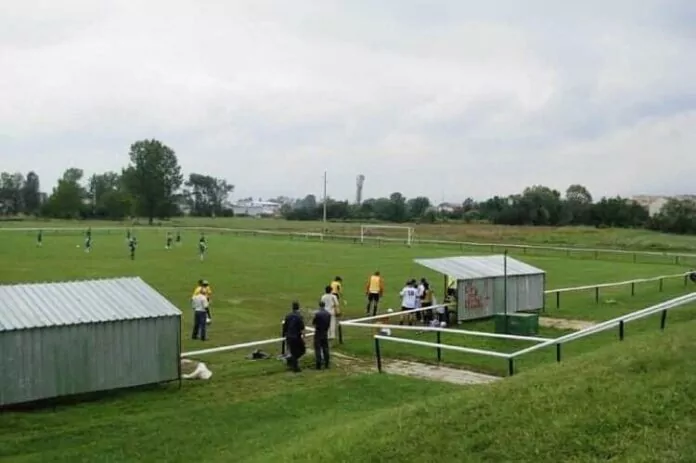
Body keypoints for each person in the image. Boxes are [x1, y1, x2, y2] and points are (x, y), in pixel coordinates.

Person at [282, 301, 306, 372]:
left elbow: (285, 327)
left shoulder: (288, 316)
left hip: (289, 336)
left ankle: (291, 360)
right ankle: (295, 367)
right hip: (296, 337)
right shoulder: (299, 316)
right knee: (302, 350)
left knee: (293, 351)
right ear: (298, 307)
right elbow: (302, 328)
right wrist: (304, 337)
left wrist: (286, 334)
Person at [311, 301, 332, 370]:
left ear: (319, 306)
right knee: (325, 349)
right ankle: (327, 364)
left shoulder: (318, 314)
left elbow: (314, 323)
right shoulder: (328, 314)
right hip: (325, 333)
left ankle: (318, 365)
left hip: (318, 333)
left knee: (318, 349)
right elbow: (328, 324)